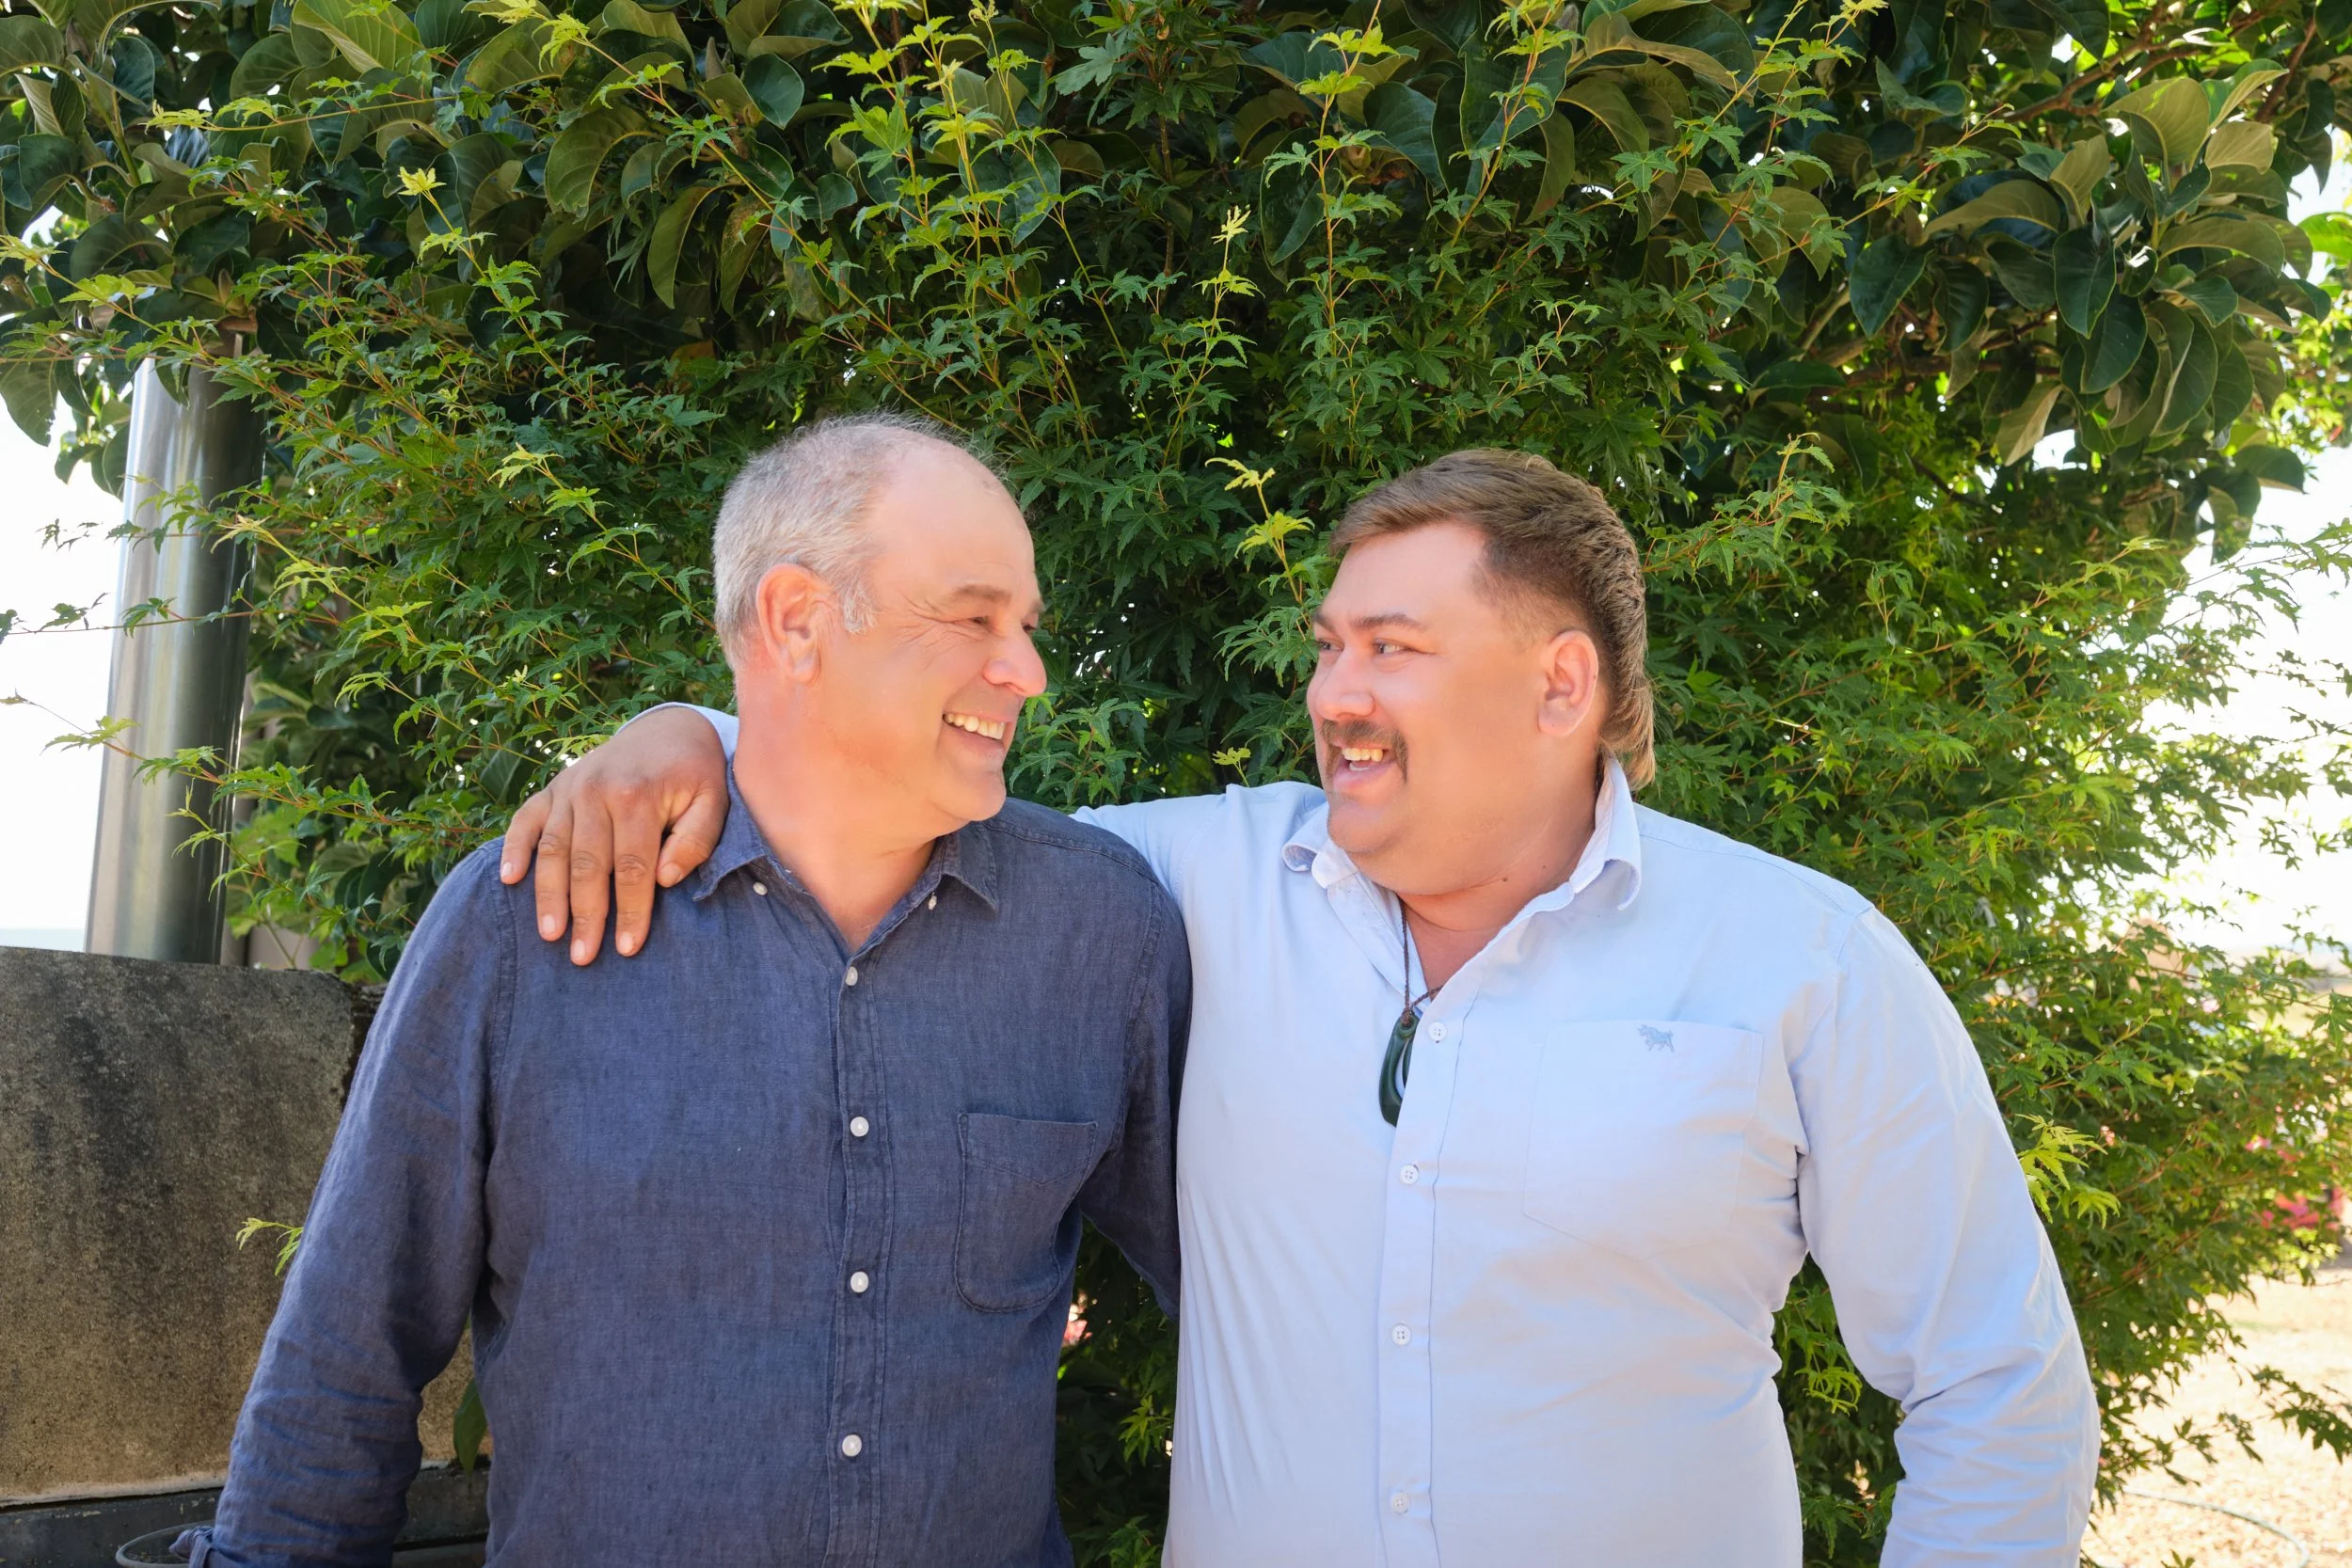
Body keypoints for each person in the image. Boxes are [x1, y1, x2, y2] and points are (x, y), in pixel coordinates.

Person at [507, 447, 2101, 1566]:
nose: (1335, 692)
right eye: (1332, 646)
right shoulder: (1183, 886)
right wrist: (697, 726)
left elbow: (1997, 1385)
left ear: (1561, 685)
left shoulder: (1804, 961)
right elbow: (883, 778)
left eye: (1394, 648)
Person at [179, 415, 1188, 1567]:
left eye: (1026, 624)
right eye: (973, 617)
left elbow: (1248, 1285)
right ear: (797, 619)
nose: (1028, 671)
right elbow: (349, 1351)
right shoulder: (525, 926)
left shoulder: (1101, 930)